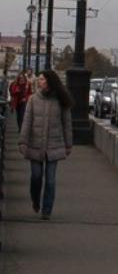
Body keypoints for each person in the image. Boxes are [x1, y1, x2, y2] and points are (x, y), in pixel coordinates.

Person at [18, 70, 73, 220]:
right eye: (39, 79)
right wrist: (23, 142)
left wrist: (68, 144)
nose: (39, 81)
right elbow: (27, 122)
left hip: (53, 146)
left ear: (49, 81)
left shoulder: (61, 100)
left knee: (50, 180)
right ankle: (35, 200)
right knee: (36, 177)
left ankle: (46, 210)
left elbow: (67, 124)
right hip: (35, 145)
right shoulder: (33, 100)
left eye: (42, 79)